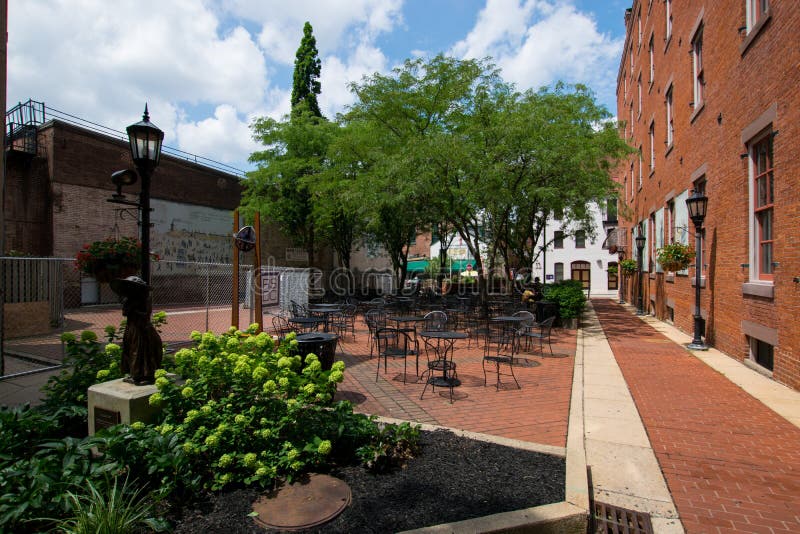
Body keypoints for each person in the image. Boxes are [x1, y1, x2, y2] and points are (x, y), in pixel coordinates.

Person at [110, 276, 163, 385]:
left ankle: (146, 375)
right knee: (132, 350)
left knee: (143, 350)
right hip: (132, 328)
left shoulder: (145, 299)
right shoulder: (129, 300)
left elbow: (146, 314)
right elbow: (125, 312)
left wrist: (135, 311)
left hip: (142, 328)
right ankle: (135, 374)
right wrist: (129, 306)